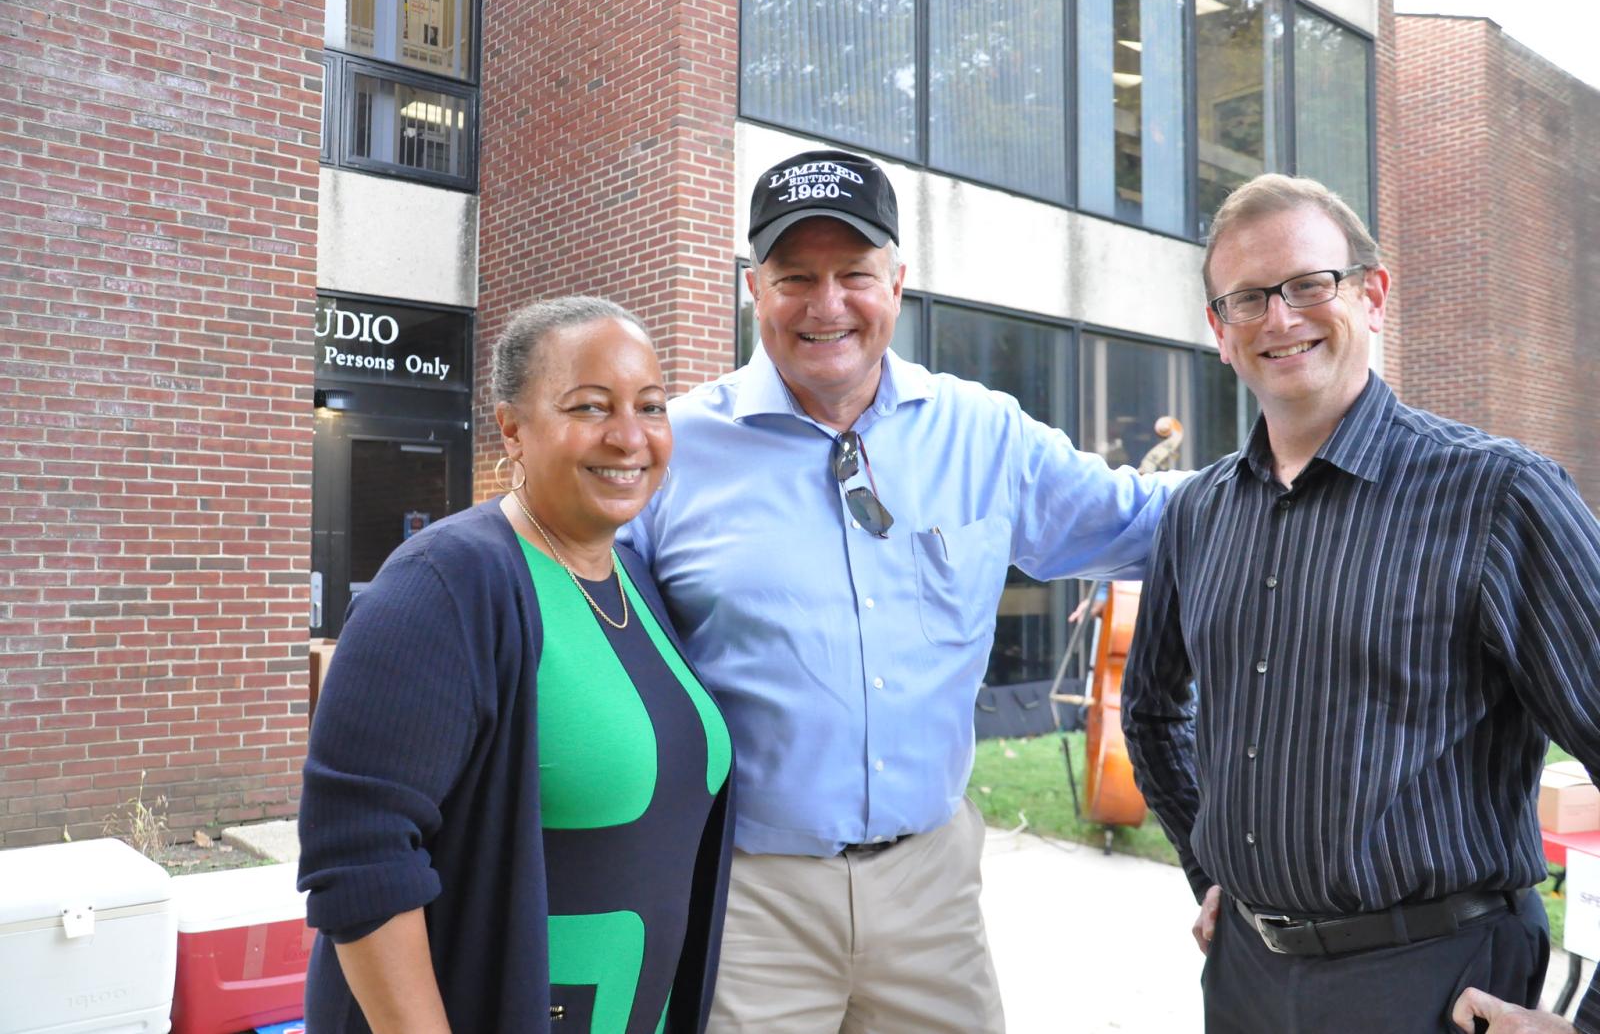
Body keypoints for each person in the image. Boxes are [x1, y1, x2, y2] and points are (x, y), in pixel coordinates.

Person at [621, 148, 1185, 1032]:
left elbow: (1148, 523)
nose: (827, 303)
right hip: (751, 899)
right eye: (795, 276)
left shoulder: (982, 433)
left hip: (932, 895)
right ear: (751, 287)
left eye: (854, 273)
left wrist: (1302, 476)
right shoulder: (674, 450)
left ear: (899, 280)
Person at [1120, 172, 1600, 1034]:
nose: (1280, 316)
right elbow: (1153, 712)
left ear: (1373, 296)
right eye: (1247, 298)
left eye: (1310, 284)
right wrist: (1213, 869)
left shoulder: (1497, 495)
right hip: (1245, 982)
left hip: (1439, 985)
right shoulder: (1197, 512)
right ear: (1219, 332)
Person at [297, 297, 735, 1033]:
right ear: (512, 428)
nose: (629, 436)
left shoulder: (635, 580)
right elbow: (360, 859)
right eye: (589, 406)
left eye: (651, 406)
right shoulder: (446, 583)